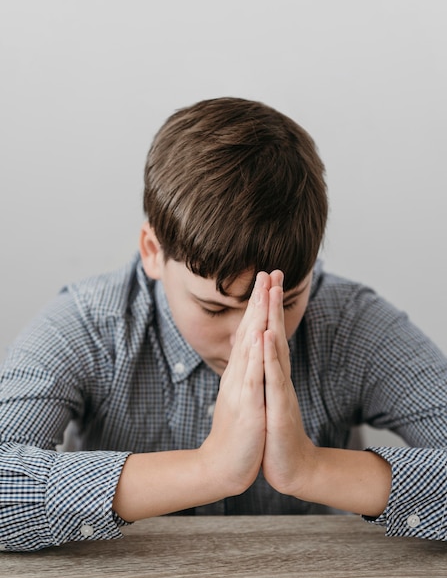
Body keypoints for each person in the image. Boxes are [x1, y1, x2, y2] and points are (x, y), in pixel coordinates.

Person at [1, 98, 446, 552]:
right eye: (215, 309)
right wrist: (208, 469)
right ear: (153, 251)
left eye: (285, 302)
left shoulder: (351, 323)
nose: (249, 341)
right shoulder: (89, 325)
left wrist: (311, 468)